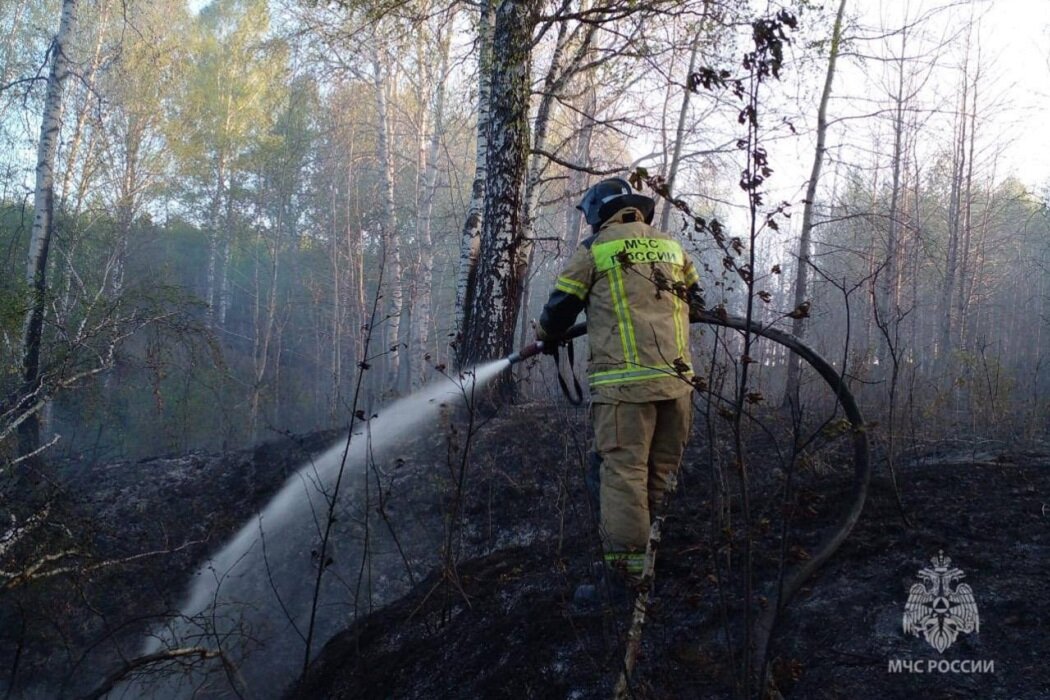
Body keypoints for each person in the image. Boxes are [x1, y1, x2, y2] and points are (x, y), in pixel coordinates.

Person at [537, 177, 702, 604]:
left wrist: (547, 336)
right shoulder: (671, 247)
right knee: (660, 473)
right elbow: (696, 305)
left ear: (597, 214)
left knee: (623, 477)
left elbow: (558, 311)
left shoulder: (596, 250)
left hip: (624, 392)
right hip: (677, 387)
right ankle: (651, 560)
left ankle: (625, 583)